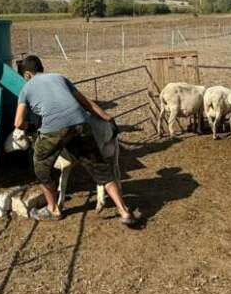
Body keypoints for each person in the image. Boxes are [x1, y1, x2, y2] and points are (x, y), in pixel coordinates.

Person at [14, 55, 141, 227]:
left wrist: (33, 127)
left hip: (54, 130)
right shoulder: (60, 77)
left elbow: (18, 123)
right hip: (81, 123)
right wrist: (108, 118)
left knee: (41, 167)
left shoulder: (26, 88)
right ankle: (124, 211)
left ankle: (53, 209)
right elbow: (87, 104)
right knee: (101, 168)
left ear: (27, 74)